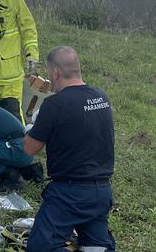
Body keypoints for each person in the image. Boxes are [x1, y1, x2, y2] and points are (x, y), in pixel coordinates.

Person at [24, 46, 115, 251]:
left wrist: (33, 127)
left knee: (41, 247)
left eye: (49, 73)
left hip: (69, 193)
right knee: (96, 248)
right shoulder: (101, 97)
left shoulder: (55, 104)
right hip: (101, 191)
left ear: (55, 72)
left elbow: (30, 149)